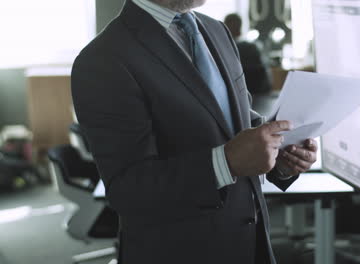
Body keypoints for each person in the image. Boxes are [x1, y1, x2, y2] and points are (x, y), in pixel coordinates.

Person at [71, 0, 317, 263]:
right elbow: (129, 189)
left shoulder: (216, 30)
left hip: (249, 243)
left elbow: (239, 120)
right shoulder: (102, 59)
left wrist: (279, 152)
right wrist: (226, 163)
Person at [224, 13, 272, 95]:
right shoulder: (252, 47)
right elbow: (265, 77)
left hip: (235, 95)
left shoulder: (221, 48)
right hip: (258, 93)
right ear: (240, 29)